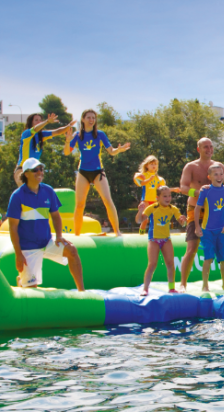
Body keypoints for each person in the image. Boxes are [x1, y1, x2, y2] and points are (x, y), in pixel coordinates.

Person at [7, 158, 84, 290]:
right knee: (31, 290)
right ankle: (22, 281)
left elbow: (56, 216)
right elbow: (12, 227)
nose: (40, 172)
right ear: (26, 174)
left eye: (41, 169)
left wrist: (59, 236)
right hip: (28, 248)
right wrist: (18, 254)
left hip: (47, 243)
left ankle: (82, 292)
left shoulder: (48, 191)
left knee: (72, 250)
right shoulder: (17, 196)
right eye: (35, 170)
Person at [179, 137, 224, 291]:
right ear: (199, 149)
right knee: (192, 247)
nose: (209, 149)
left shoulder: (218, 166)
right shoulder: (191, 166)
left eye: (211, 146)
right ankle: (183, 283)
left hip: (215, 212)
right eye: (205, 147)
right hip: (196, 210)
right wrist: (198, 192)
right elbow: (183, 188)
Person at [64, 109, 131, 236]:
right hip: (83, 172)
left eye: (93, 118)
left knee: (107, 200)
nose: (91, 120)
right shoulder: (78, 135)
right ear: (83, 119)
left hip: (98, 172)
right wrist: (67, 141)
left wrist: (119, 150)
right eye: (88, 117)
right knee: (79, 205)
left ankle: (117, 231)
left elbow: (111, 151)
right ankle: (77, 235)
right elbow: (67, 152)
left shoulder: (100, 134)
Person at [135, 185, 186, 295]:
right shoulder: (152, 208)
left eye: (169, 196)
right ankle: (145, 288)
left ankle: (171, 288)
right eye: (164, 196)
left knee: (170, 263)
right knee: (152, 264)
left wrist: (183, 221)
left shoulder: (173, 209)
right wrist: (140, 211)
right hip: (154, 239)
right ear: (157, 197)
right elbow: (139, 220)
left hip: (166, 239)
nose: (168, 198)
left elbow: (182, 223)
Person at [195, 164, 224, 292]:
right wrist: (197, 227)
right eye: (216, 174)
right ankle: (205, 285)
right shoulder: (205, 191)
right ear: (210, 177)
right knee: (208, 258)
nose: (219, 177)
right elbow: (197, 209)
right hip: (207, 230)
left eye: (221, 174)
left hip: (222, 230)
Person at [14, 113, 74, 186]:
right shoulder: (26, 133)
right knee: (26, 191)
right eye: (36, 120)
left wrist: (69, 126)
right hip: (22, 170)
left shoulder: (41, 135)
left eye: (40, 120)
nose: (39, 122)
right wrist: (47, 121)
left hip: (35, 170)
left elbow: (57, 131)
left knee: (35, 194)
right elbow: (35, 129)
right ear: (31, 122)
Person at [134, 156, 180, 235]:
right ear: (147, 166)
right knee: (145, 219)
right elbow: (139, 182)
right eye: (151, 164)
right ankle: (141, 233)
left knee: (155, 218)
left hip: (155, 201)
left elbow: (163, 190)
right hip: (146, 200)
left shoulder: (159, 179)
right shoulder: (144, 175)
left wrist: (173, 189)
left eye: (155, 164)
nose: (153, 165)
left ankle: (154, 233)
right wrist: (147, 179)